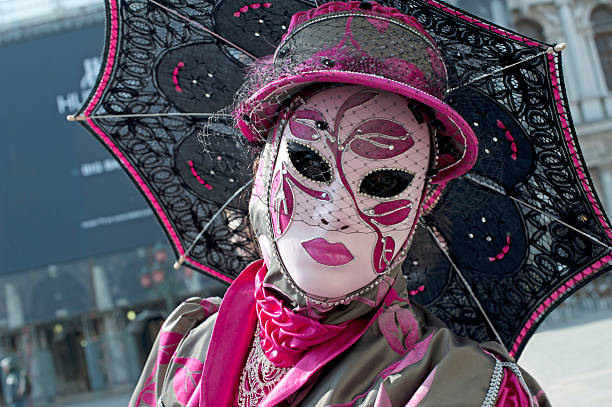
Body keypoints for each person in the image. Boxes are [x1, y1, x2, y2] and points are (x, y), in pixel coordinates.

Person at [131, 2, 550, 406]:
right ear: (263, 172)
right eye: (309, 163)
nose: (335, 213)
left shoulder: (465, 389)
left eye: (386, 181)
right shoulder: (185, 344)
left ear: (424, 200)